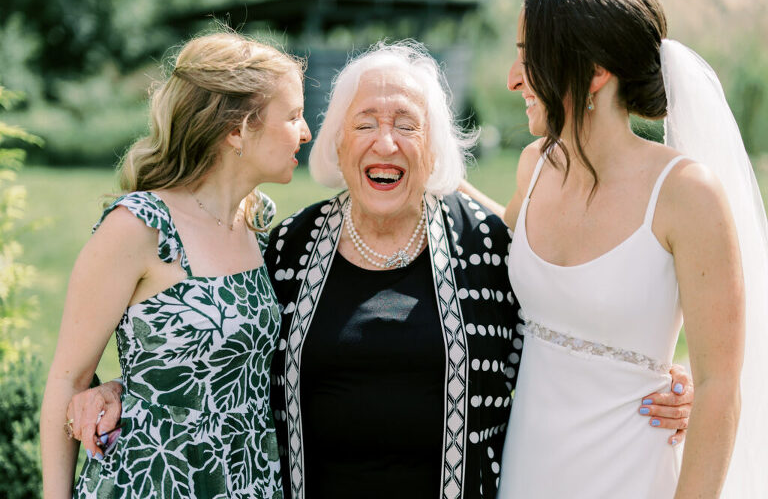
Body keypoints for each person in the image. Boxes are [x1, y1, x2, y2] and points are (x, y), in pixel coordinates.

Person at [64, 41, 695, 499]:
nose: (384, 142)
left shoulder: (489, 246)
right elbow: (223, 350)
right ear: (338, 145)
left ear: (435, 147)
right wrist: (119, 390)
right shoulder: (285, 249)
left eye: (406, 125)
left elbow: (572, 318)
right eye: (364, 123)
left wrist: (653, 375)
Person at [461, 0, 768, 497]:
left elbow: (719, 388)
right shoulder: (534, 167)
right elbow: (500, 239)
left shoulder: (686, 193)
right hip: (526, 472)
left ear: (596, 72)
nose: (513, 79)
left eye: (529, 59)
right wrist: (439, 179)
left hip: (630, 475)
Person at [40, 32, 311, 498]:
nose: (305, 132)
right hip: (153, 481)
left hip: (246, 481)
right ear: (237, 130)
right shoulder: (139, 227)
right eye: (292, 116)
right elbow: (67, 382)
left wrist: (118, 388)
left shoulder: (256, 221)